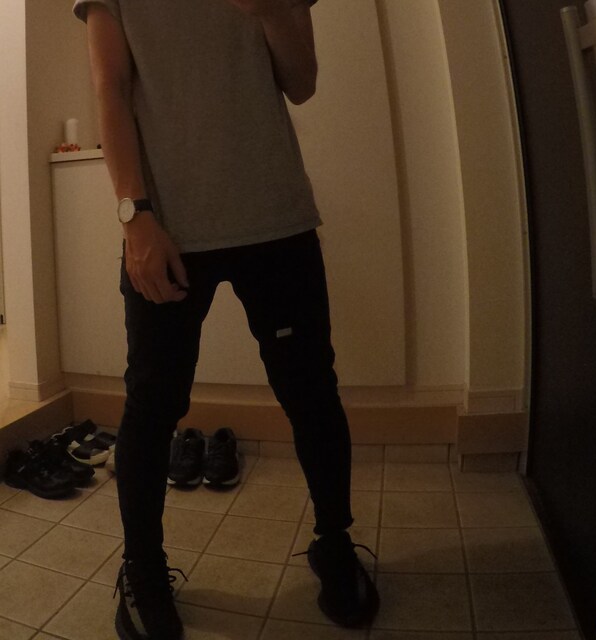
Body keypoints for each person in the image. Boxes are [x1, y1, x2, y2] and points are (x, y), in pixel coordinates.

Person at [72, 1, 380, 638]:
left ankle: (333, 541)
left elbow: (302, 82)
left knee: (311, 391)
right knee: (152, 403)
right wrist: (134, 218)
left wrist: (273, 11)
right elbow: (111, 88)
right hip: (166, 227)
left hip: (277, 218)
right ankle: (143, 570)